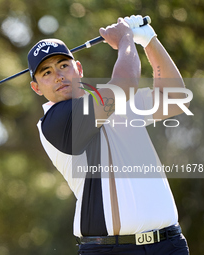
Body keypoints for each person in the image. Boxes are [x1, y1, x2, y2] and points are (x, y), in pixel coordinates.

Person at [27, 15, 190, 255]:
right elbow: (125, 83)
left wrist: (149, 41)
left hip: (170, 244)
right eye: (46, 72)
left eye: (63, 65)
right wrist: (126, 38)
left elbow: (174, 99)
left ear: (78, 69)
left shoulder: (110, 101)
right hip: (110, 250)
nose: (59, 76)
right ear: (37, 88)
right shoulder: (54, 121)